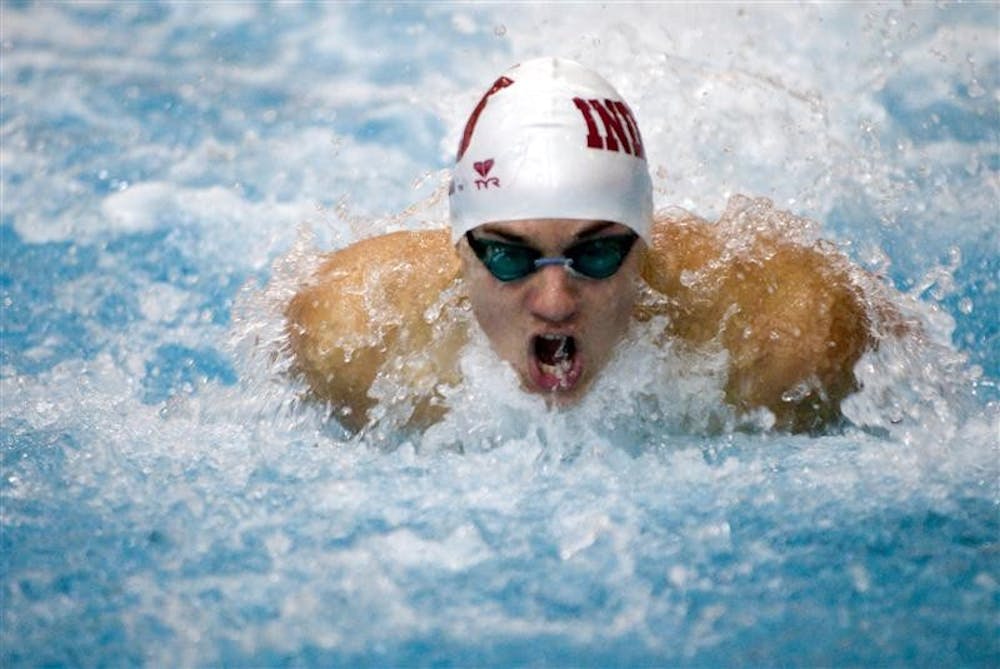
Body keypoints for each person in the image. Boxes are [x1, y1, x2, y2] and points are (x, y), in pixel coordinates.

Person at [285, 57, 892, 434]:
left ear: (646, 248)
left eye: (596, 254)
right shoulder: (355, 338)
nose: (554, 302)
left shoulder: (788, 343)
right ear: (460, 250)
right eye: (508, 255)